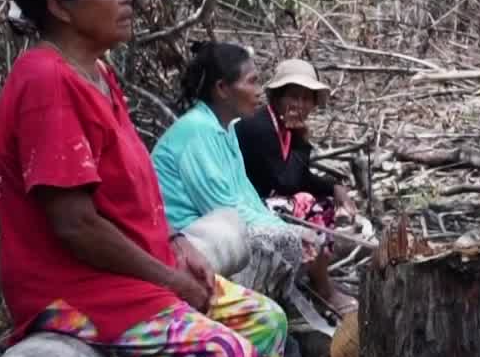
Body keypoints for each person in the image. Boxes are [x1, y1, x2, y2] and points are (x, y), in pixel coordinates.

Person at [0, 0, 286, 357]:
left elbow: (127, 185)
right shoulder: (47, 82)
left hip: (131, 271)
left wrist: (173, 240)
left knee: (265, 322)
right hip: (76, 289)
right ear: (61, 7)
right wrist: (169, 279)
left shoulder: (97, 73)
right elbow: (75, 226)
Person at [152, 44, 355, 314]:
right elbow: (224, 211)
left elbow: (245, 195)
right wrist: (289, 232)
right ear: (223, 89)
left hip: (217, 229)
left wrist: (288, 230)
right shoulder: (198, 132)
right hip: (186, 245)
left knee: (294, 235)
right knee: (289, 236)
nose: (259, 91)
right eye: (252, 82)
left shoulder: (224, 129)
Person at [235, 58, 358, 296]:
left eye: (306, 98)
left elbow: (300, 176)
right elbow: (288, 182)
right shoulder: (260, 127)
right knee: (308, 204)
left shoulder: (283, 127)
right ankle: (322, 287)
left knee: (325, 201)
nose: (299, 105)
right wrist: (302, 141)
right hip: (248, 206)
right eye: (293, 97)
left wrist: (335, 188)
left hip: (265, 199)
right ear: (278, 98)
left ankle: (313, 276)